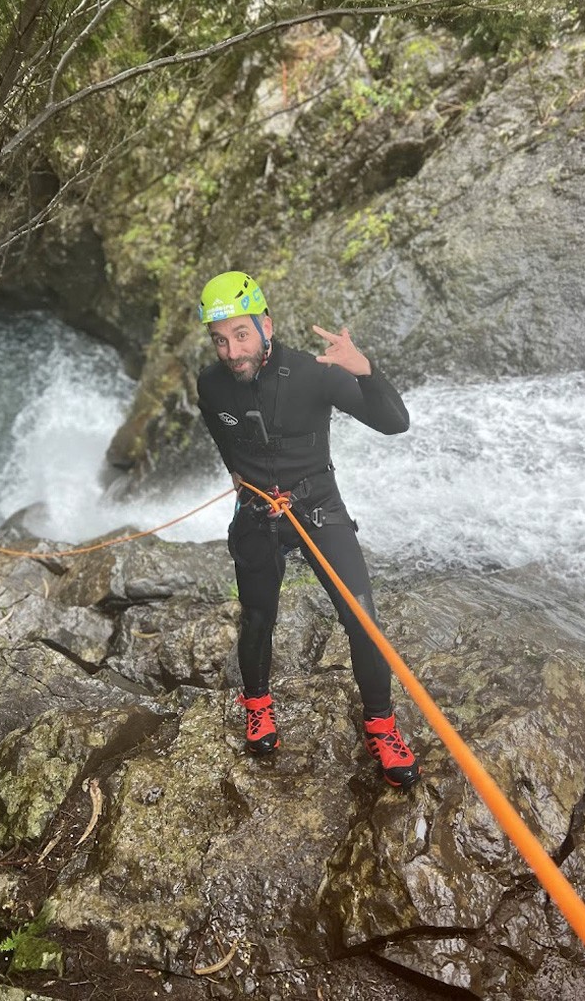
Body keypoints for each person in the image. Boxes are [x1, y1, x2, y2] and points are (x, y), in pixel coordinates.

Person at [196, 271, 420, 790]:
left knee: (363, 620)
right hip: (256, 511)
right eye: (221, 340)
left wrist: (366, 371)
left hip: (317, 506)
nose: (232, 351)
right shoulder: (211, 383)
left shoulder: (314, 373)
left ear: (266, 326)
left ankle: (381, 727)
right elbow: (218, 426)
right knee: (257, 616)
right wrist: (238, 472)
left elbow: (395, 422)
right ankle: (257, 704)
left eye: (242, 335)